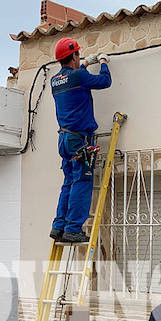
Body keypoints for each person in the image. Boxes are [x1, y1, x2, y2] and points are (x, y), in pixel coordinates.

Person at [49, 37, 111, 243]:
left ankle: (59, 226)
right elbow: (104, 81)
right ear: (74, 55)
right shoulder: (79, 77)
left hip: (64, 140)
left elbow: (74, 75)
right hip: (80, 140)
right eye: (78, 55)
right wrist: (103, 62)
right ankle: (73, 229)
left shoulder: (54, 80)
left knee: (68, 182)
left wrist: (85, 63)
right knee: (82, 182)